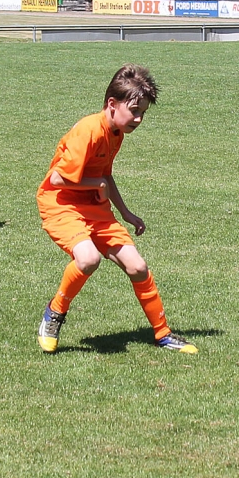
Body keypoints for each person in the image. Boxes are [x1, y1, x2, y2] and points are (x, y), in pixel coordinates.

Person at [35, 64, 197, 356]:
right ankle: (54, 313)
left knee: (138, 267)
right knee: (88, 259)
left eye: (143, 113)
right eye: (134, 111)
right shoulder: (88, 130)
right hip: (61, 204)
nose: (139, 118)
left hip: (94, 206)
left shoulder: (116, 132)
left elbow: (105, 175)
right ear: (112, 104)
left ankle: (163, 334)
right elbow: (58, 179)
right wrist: (96, 184)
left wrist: (125, 212)